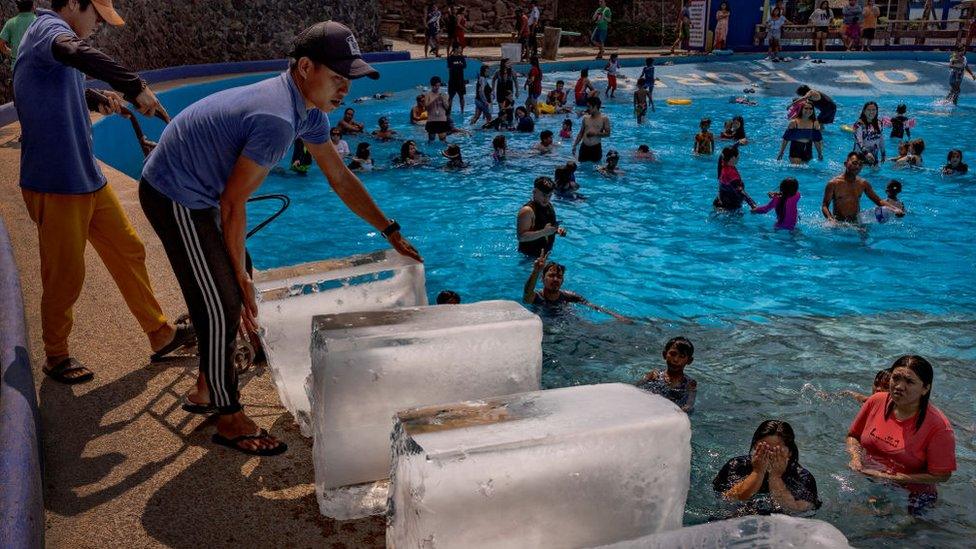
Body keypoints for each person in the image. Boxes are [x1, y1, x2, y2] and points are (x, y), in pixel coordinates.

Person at [139, 21, 422, 455]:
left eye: (349, 79)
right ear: (305, 67)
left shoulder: (305, 109)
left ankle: (205, 381)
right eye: (337, 77)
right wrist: (239, 278)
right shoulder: (276, 119)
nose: (344, 89)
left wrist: (391, 230)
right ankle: (227, 415)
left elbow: (340, 178)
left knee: (237, 277)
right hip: (174, 192)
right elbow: (234, 205)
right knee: (223, 299)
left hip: (204, 190)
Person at [15, 0, 193, 385]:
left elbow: (56, 86)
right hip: (57, 181)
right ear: (75, 4)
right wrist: (133, 86)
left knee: (129, 249)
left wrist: (96, 99)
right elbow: (73, 51)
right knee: (65, 274)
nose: (98, 25)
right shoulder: (48, 31)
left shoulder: (51, 41)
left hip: (87, 176)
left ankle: (160, 334)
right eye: (96, 16)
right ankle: (56, 355)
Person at [847, 355, 956, 514]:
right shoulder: (876, 401)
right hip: (870, 479)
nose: (899, 386)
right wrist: (855, 458)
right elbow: (853, 436)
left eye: (909, 382)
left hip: (912, 496)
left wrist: (893, 477)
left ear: (925, 388)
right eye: (895, 378)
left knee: (893, 536)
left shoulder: (939, 427)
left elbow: (942, 475)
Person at [714, 420, 821, 514]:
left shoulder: (802, 477)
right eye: (763, 449)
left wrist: (776, 476)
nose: (769, 455)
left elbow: (796, 510)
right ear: (754, 448)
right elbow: (729, 500)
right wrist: (758, 472)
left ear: (790, 452)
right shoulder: (737, 465)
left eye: (776, 451)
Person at [522, 252, 630, 321]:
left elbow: (594, 307)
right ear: (542, 279)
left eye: (559, 277)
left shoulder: (569, 296)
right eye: (551, 275)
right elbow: (527, 293)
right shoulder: (537, 297)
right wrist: (536, 271)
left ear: (562, 281)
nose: (555, 279)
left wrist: (617, 316)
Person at [821, 152, 903, 224]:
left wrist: (895, 209)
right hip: (839, 222)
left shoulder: (863, 184)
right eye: (854, 163)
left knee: (865, 240)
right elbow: (825, 205)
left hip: (856, 222)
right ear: (845, 164)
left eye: (860, 164)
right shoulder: (833, 184)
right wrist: (830, 219)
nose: (857, 166)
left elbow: (878, 201)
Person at [636, 336, 698, 412]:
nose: (676, 359)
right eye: (673, 354)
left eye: (682, 356)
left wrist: (683, 410)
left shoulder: (690, 383)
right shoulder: (655, 375)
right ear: (664, 354)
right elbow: (635, 389)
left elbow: (689, 405)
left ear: (689, 361)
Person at [517, 176, 566, 256]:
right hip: (528, 257)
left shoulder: (548, 206)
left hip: (545, 254)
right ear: (534, 192)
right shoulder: (527, 211)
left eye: (549, 196)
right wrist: (544, 232)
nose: (546, 199)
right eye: (543, 195)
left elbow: (544, 227)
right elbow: (521, 237)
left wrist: (556, 230)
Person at [714, 146, 757, 211]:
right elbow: (740, 191)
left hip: (719, 201)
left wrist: (737, 144)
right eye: (737, 157)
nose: (738, 158)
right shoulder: (731, 173)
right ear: (733, 158)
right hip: (730, 207)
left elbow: (723, 153)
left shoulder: (722, 164)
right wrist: (752, 204)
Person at [572, 96, 611, 163]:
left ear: (595, 106)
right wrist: (575, 145)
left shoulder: (604, 119)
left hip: (596, 148)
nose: (587, 109)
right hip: (584, 147)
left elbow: (608, 134)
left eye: (589, 106)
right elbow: (581, 133)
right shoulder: (585, 118)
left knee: (595, 169)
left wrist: (595, 134)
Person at [0, 0, 36, 69]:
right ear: (33, 7)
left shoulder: (10, 23)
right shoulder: (38, 22)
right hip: (34, 66)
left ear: (17, 7)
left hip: (16, 66)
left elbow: (1, 44)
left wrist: (11, 52)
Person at [852, 101, 886, 165]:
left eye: (874, 110)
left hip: (873, 156)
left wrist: (883, 153)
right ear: (864, 111)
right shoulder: (859, 124)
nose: (871, 112)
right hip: (860, 157)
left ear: (877, 111)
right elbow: (858, 141)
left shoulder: (879, 123)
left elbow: (881, 139)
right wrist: (866, 152)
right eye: (869, 110)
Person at [425, 75, 450, 142]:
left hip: (441, 120)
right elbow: (426, 107)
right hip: (432, 120)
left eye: (438, 86)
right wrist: (435, 99)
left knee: (443, 141)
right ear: (432, 85)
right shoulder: (428, 95)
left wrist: (443, 100)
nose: (437, 87)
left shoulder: (444, 94)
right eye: (435, 86)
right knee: (431, 140)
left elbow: (447, 107)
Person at [446, 42, 467, 115]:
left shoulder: (462, 57)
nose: (461, 49)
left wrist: (457, 65)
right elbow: (450, 66)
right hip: (452, 80)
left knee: (461, 96)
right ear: (456, 49)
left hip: (460, 80)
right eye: (460, 48)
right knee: (450, 97)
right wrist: (459, 65)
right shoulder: (450, 58)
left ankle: (462, 111)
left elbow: (464, 66)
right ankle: (448, 111)